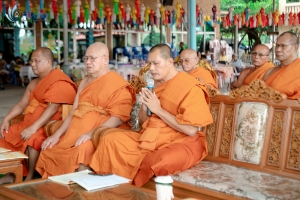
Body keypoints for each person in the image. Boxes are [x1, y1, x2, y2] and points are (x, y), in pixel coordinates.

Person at [89, 44, 213, 184]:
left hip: (183, 142)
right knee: (109, 141)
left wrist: (158, 110)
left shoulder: (190, 87)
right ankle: (112, 189)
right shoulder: (156, 85)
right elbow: (144, 123)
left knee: (157, 161)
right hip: (152, 138)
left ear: (170, 62)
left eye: (156, 63)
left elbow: (191, 130)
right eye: (149, 63)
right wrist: (144, 107)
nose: (151, 68)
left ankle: (131, 190)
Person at [35, 42, 136, 178]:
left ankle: (78, 192)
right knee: (50, 147)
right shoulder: (84, 82)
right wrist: (57, 135)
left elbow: (117, 118)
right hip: (75, 132)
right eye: (86, 58)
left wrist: (90, 134)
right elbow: (73, 112)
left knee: (82, 150)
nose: (88, 62)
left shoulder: (117, 84)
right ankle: (55, 191)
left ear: (105, 59)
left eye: (92, 58)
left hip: (100, 133)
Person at [0, 47, 77, 184]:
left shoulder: (59, 81)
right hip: (27, 124)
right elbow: (21, 105)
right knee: (4, 134)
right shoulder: (34, 83)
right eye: (32, 61)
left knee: (33, 139)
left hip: (47, 126)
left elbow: (52, 108)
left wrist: (33, 128)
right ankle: (12, 173)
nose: (32, 64)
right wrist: (6, 119)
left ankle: (29, 176)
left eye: (37, 61)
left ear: (48, 62)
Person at [262, 32, 300, 99]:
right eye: (277, 45)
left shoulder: (298, 67)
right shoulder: (269, 71)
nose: (278, 50)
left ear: (295, 48)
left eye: (283, 46)